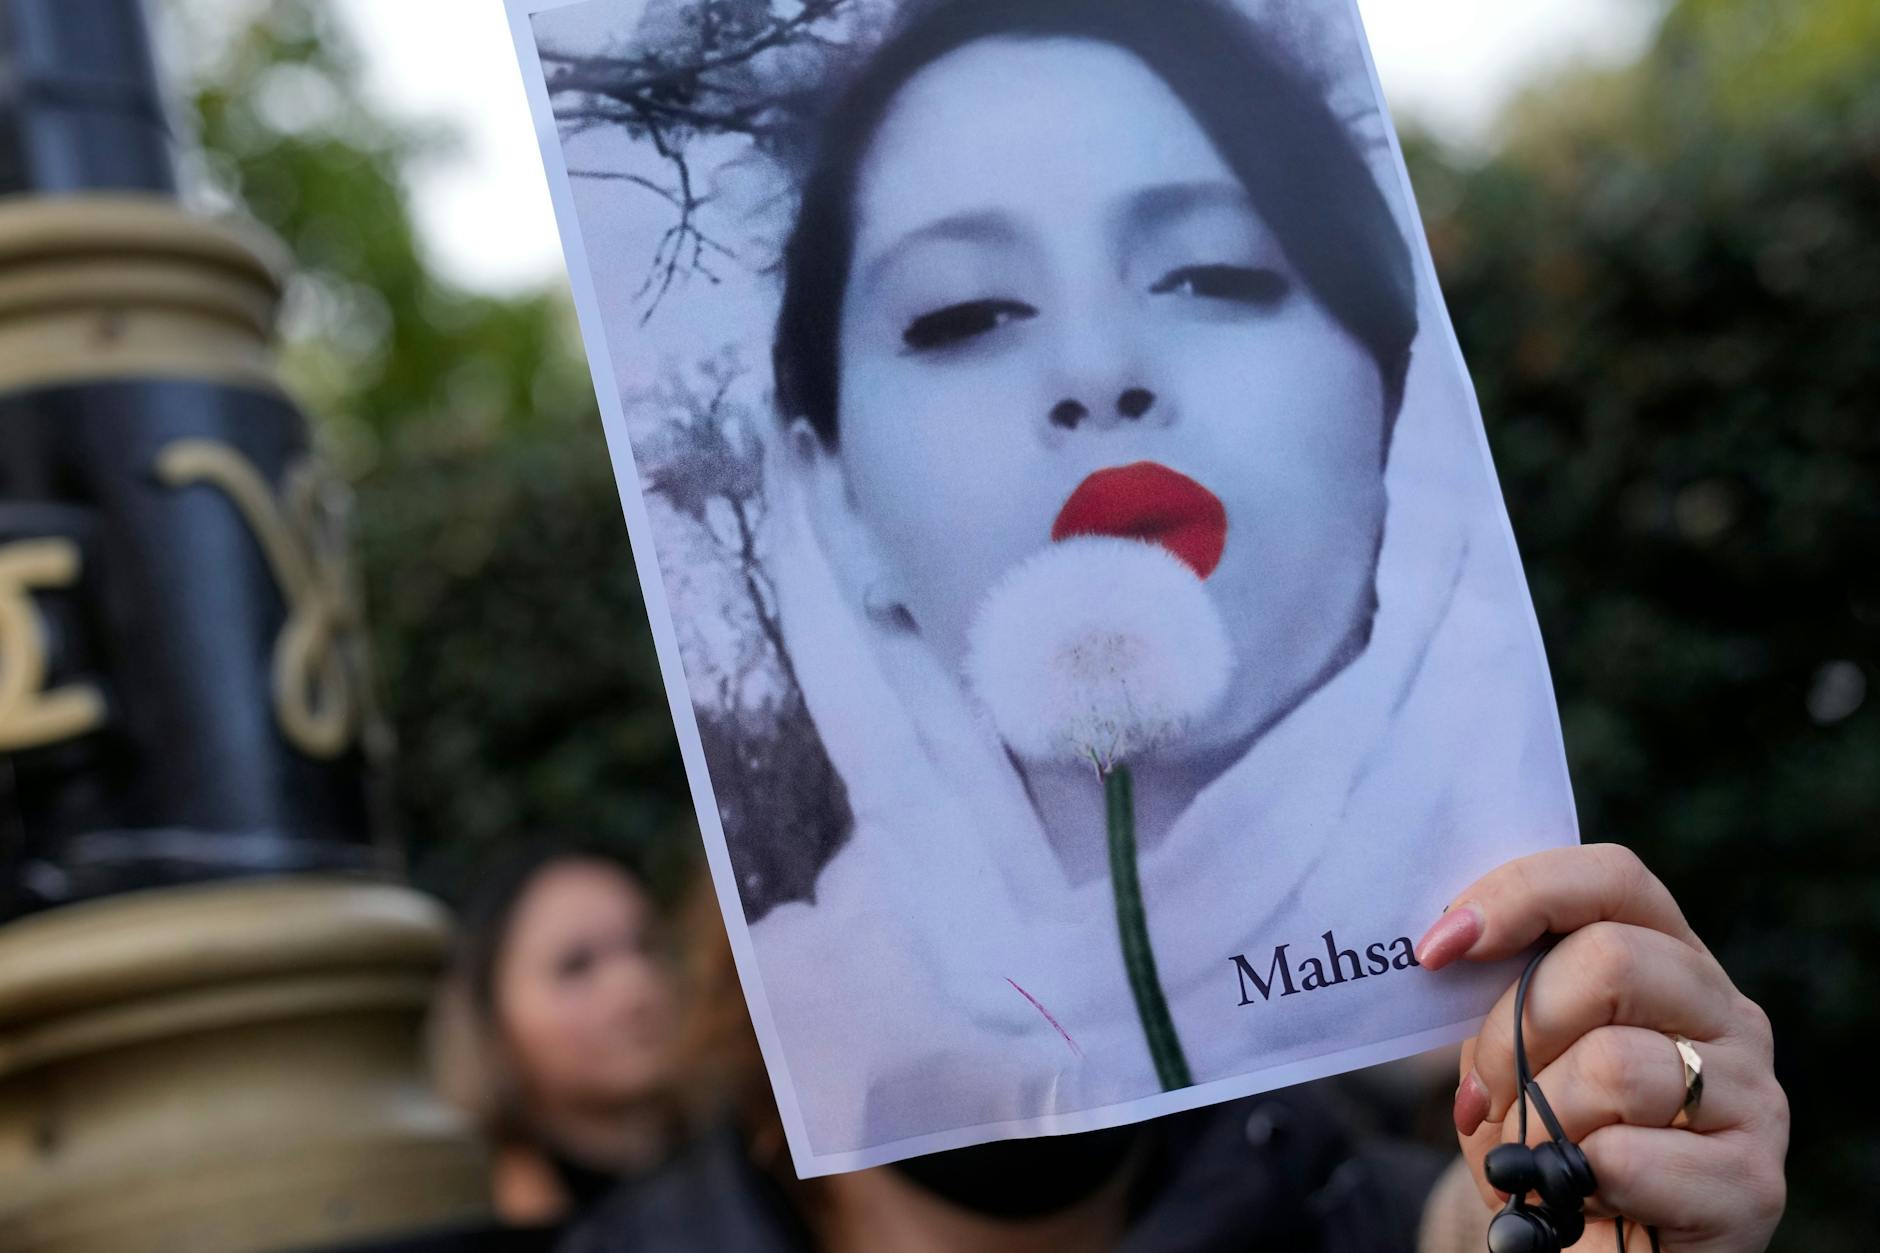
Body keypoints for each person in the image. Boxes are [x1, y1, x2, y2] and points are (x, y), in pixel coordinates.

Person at [753, 0, 1566, 1156]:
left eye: (1212, 275)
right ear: (830, 500)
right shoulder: (782, 1077)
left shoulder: (1558, 964)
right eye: (963, 311)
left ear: (1397, 396)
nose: (1098, 372)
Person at [429, 845, 681, 1227]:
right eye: (576, 966)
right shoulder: (471, 1215)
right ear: (489, 1015)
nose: (637, 988)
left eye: (646, 946)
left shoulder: (759, 1153)